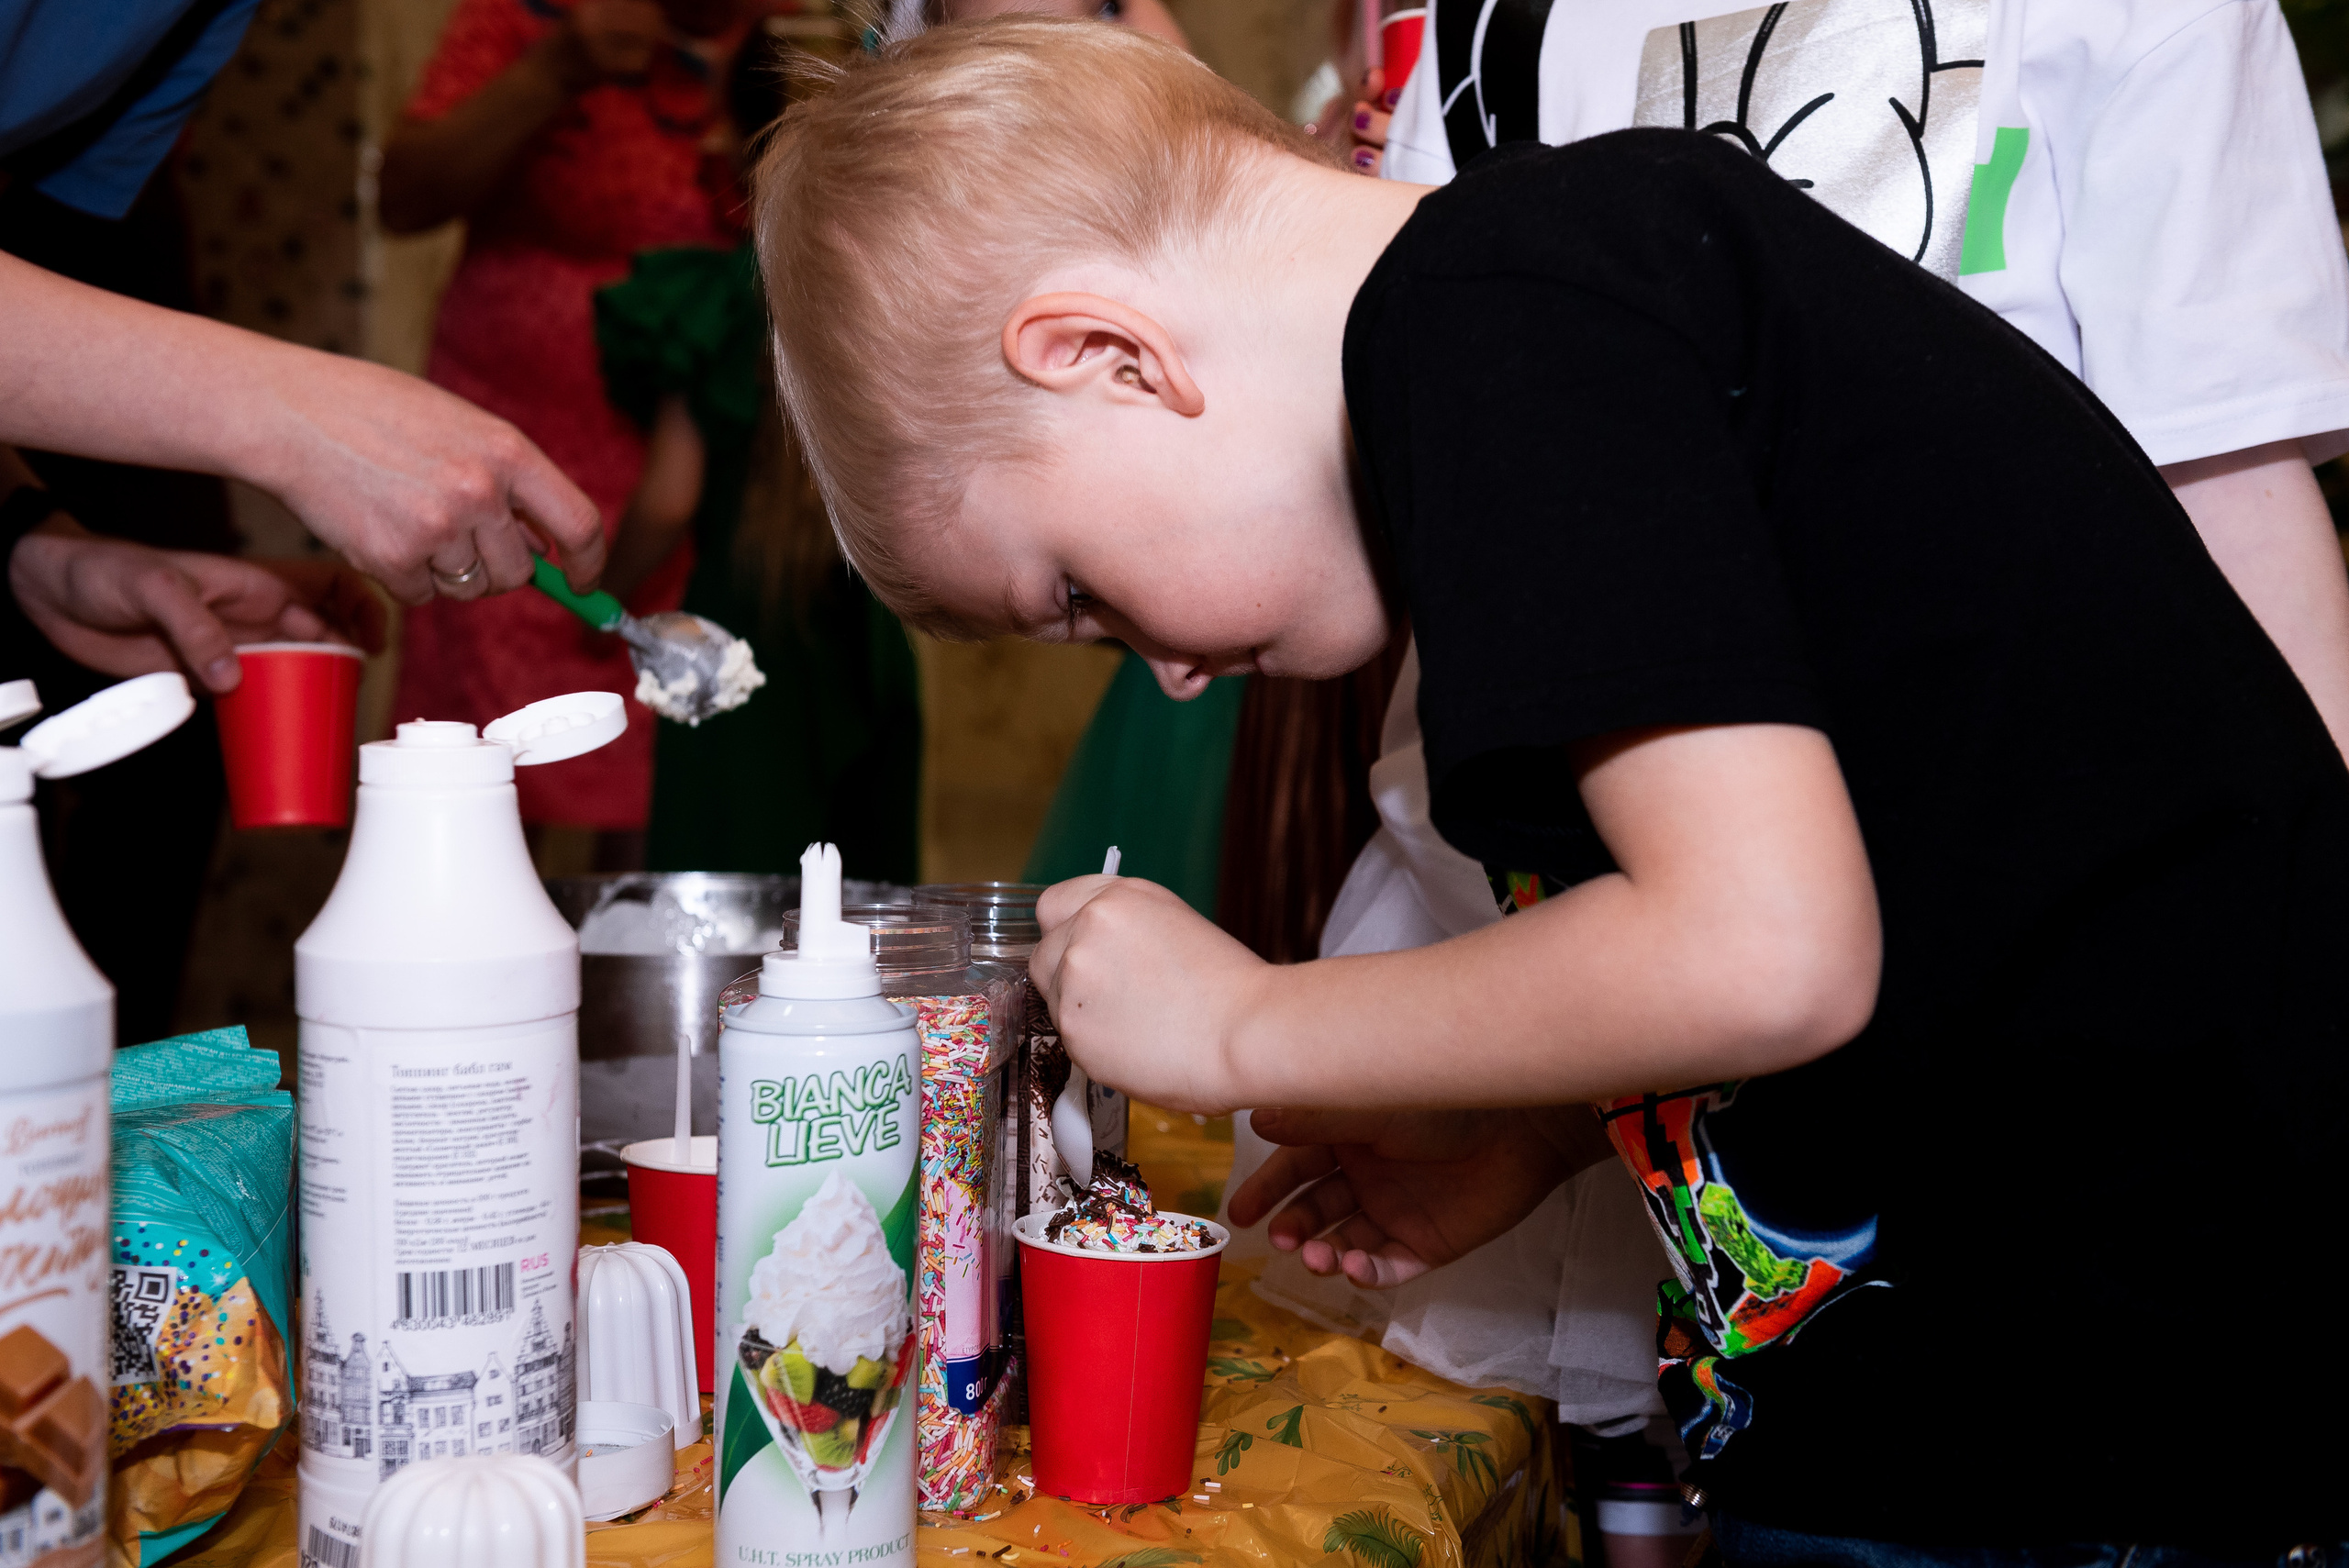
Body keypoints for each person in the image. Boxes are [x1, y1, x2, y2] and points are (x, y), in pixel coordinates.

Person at [750, 19, 2347, 1553]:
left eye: (1079, 595)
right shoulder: (1548, 331)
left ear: (1108, 356)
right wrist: (1542, 1122)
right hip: (2058, 1411)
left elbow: (1766, 948)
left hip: (2087, 1439)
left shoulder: (1492, 320)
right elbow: (1949, 887)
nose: (1162, 667)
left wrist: (1241, 1024)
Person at [381, 0, 754, 851]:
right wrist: (554, 71)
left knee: (656, 783)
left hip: (684, 469)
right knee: (484, 772)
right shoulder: (528, 20)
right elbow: (401, 195)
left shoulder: (796, 41)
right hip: (507, 458)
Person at [589, 28, 922, 879]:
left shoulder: (714, 304)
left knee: (728, 892)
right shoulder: (877, 305)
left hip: (735, 638)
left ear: (747, 146)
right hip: (859, 626)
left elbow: (670, 495)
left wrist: (605, 596)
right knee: (858, 901)